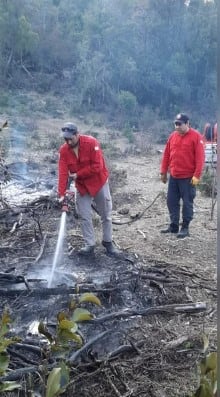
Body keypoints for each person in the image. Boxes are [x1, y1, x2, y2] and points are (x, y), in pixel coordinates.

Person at [58, 122, 119, 256]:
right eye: (65, 139)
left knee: (106, 215)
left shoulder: (92, 143)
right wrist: (61, 194)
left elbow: (97, 166)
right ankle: (89, 244)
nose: (68, 141)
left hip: (99, 182)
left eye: (71, 138)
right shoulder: (64, 150)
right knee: (84, 215)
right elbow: (62, 173)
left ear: (77, 134)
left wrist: (78, 174)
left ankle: (108, 242)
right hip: (82, 186)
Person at [160, 113, 205, 238]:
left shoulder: (196, 137)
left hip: (188, 178)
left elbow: (200, 159)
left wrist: (197, 176)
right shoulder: (172, 136)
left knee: (187, 203)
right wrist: (163, 172)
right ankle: (174, 226)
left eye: (179, 124)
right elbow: (166, 155)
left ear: (187, 123)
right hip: (174, 176)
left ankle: (185, 227)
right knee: (171, 201)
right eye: (175, 124)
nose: (177, 126)